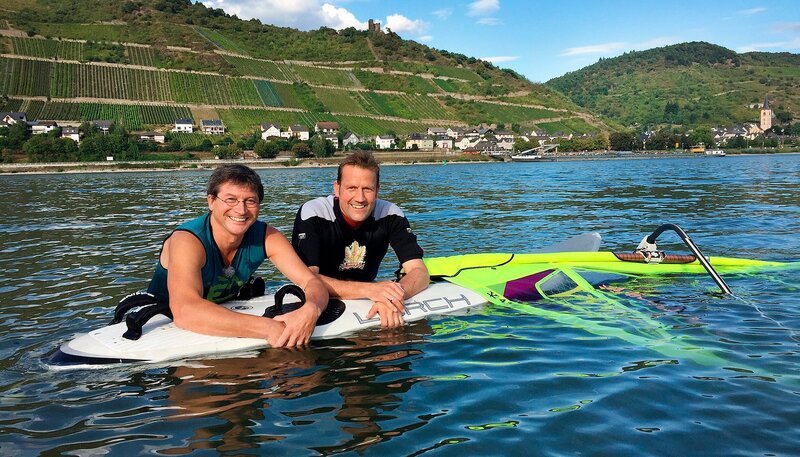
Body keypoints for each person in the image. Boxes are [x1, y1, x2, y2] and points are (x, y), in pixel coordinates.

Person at [143, 164, 328, 348]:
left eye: (250, 201)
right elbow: (185, 311)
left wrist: (311, 309)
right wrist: (269, 328)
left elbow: (312, 282)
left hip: (220, 314)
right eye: (231, 199)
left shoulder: (267, 237)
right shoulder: (187, 240)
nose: (241, 210)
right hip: (159, 323)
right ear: (211, 201)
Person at [291, 151, 430, 328]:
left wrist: (393, 296)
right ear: (337, 188)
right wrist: (370, 290)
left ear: (377, 191)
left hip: (371, 295)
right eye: (352, 188)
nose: (360, 198)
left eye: (368, 189)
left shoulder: (390, 214)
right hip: (323, 297)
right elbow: (306, 278)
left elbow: (420, 272)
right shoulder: (313, 213)